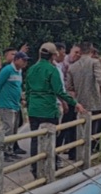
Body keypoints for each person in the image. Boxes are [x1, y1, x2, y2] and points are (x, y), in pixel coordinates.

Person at [25, 43, 86, 178]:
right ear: (52, 56)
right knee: (49, 139)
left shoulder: (31, 69)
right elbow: (59, 91)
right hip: (48, 109)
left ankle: (35, 169)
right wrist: (75, 103)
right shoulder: (52, 70)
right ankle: (47, 169)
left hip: (34, 109)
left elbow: (28, 91)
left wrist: (29, 106)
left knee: (35, 139)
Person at [66, 41, 101, 147]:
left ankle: (76, 153)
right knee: (92, 132)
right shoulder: (94, 63)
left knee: (79, 130)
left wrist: (74, 102)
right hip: (93, 103)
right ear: (91, 51)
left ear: (80, 51)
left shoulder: (72, 67)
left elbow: (69, 88)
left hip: (79, 104)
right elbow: (100, 78)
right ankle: (89, 154)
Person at [0, 51, 29, 160]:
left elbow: (18, 87)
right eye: (23, 60)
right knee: (8, 127)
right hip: (6, 103)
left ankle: (10, 149)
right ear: (16, 59)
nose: (25, 63)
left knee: (14, 129)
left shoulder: (19, 72)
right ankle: (3, 150)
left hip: (15, 104)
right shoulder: (8, 70)